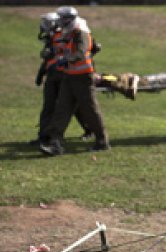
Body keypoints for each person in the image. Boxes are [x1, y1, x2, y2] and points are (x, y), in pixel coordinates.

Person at [39, 6, 110, 155]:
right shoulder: (70, 31)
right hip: (69, 76)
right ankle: (55, 143)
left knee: (90, 110)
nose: (59, 21)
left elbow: (81, 52)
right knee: (61, 110)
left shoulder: (81, 32)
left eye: (61, 18)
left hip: (83, 78)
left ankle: (102, 141)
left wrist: (67, 60)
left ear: (68, 19)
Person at [32, 12, 93, 145]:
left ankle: (88, 129)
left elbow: (81, 50)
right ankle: (44, 136)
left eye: (47, 23)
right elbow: (49, 58)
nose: (44, 26)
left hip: (65, 75)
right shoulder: (52, 37)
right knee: (49, 106)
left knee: (69, 107)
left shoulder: (67, 35)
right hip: (53, 75)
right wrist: (41, 73)